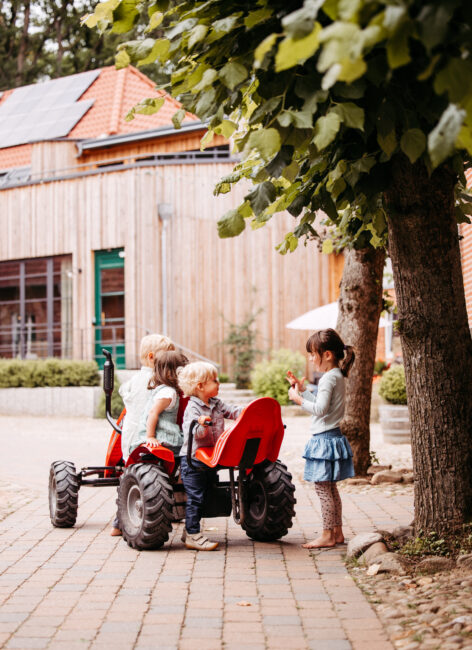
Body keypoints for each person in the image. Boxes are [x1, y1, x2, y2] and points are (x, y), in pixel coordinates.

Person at [287, 328, 355, 549]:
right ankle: (337, 533)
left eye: (312, 353)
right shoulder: (337, 376)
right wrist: (304, 390)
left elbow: (320, 408)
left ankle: (327, 535)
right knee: (330, 488)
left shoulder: (328, 378)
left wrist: (298, 399)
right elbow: (323, 403)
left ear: (327, 354)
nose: (310, 357)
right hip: (332, 435)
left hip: (324, 439)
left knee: (323, 488)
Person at [109, 333, 175, 537]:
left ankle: (118, 523)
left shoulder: (133, 381)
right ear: (153, 357)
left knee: (129, 476)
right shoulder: (157, 382)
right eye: (168, 358)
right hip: (149, 437)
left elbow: (125, 392)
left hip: (130, 440)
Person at [177, 361, 242, 551]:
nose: (218, 382)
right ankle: (192, 535)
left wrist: (246, 412)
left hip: (210, 458)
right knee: (195, 497)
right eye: (214, 380)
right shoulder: (193, 409)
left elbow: (232, 411)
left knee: (205, 496)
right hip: (193, 462)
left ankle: (189, 530)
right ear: (200, 386)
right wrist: (202, 425)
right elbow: (197, 433)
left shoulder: (216, 403)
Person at [128, 350, 188, 458]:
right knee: (188, 451)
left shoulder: (160, 389)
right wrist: (150, 436)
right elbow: (152, 413)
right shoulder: (169, 392)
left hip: (163, 434)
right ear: (171, 373)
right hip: (164, 437)